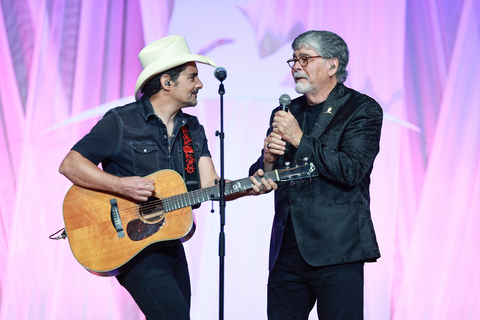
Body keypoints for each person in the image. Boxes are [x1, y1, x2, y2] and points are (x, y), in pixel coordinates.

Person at [59, 35, 277, 320]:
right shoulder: (122, 121)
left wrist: (249, 187)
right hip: (132, 246)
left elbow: (210, 185)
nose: (199, 84)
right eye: (193, 77)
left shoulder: (192, 129)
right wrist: (120, 184)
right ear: (166, 82)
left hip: (170, 240)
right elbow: (70, 164)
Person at [249, 30, 383, 320]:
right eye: (294, 59)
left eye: (305, 59)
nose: (296, 66)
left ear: (332, 66)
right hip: (287, 248)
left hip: (337, 248)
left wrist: (299, 138)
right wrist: (269, 160)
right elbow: (262, 174)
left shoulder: (361, 109)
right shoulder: (287, 111)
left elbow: (352, 170)